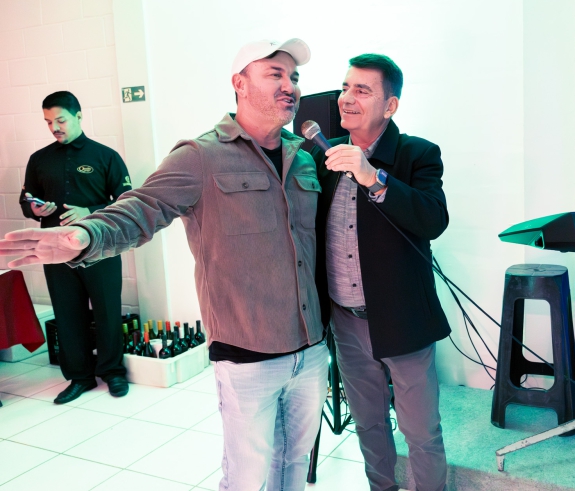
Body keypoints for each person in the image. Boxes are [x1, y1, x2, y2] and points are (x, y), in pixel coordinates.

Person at [1, 39, 327, 491]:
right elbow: (143, 207)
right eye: (275, 74)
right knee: (247, 477)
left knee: (294, 463)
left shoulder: (305, 158)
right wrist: (86, 235)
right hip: (248, 354)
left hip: (311, 348)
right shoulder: (201, 155)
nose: (289, 85)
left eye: (294, 77)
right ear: (239, 83)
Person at [312, 54, 451, 491]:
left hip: (403, 319)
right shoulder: (324, 155)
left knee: (421, 431)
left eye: (362, 90)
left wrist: (372, 176)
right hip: (345, 320)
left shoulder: (417, 154)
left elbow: (433, 219)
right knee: (369, 424)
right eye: (345, 87)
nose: (346, 98)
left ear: (390, 105)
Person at [19, 91, 132, 403]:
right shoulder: (39, 159)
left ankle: (113, 372)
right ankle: (80, 377)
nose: (54, 127)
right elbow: (26, 201)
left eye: (61, 120)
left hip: (101, 247)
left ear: (79, 116)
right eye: (48, 122)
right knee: (68, 313)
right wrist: (34, 209)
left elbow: (127, 202)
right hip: (55, 250)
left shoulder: (105, 156)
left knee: (107, 310)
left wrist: (90, 211)